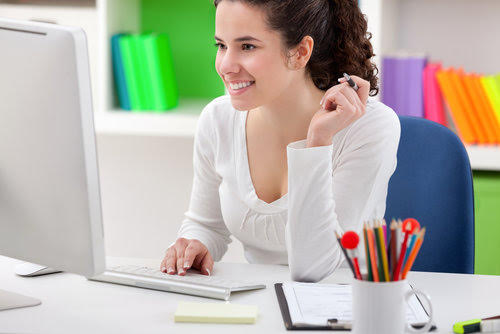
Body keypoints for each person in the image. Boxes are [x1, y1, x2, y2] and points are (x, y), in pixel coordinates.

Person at [160, 0, 400, 282]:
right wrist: (194, 243)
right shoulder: (218, 119)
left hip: (348, 311)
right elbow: (207, 225)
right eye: (221, 46)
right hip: (259, 306)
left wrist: (318, 141)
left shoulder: (369, 127)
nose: (225, 65)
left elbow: (312, 268)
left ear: (300, 52)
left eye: (247, 46)